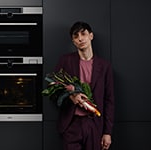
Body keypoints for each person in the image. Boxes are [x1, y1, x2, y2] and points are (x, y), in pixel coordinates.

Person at [54, 21, 115, 150]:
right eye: (76, 36)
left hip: (94, 124)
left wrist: (107, 132)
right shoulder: (65, 61)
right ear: (73, 41)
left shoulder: (104, 66)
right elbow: (53, 88)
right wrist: (71, 97)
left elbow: (109, 101)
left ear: (91, 36)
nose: (80, 38)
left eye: (83, 34)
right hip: (71, 123)